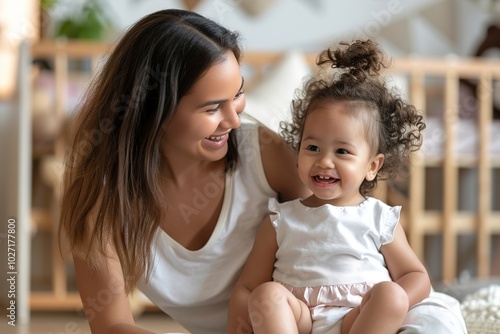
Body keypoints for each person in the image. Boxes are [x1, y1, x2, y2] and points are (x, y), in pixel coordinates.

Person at [59, 9, 310, 334]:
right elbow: (111, 326)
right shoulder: (102, 200)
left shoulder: (266, 155)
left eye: (237, 95)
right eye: (211, 108)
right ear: (153, 111)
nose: (234, 120)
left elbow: (336, 242)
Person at [227, 40, 468, 334]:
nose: (325, 161)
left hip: (358, 320)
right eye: (312, 147)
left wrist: (395, 301)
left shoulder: (379, 218)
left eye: (342, 152)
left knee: (391, 293)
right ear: (297, 154)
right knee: (265, 295)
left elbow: (416, 275)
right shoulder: (280, 220)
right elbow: (248, 286)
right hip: (298, 320)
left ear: (372, 166)